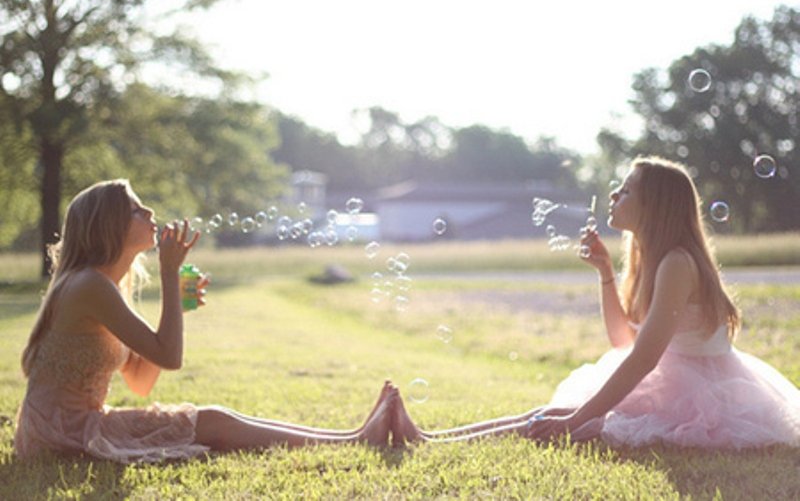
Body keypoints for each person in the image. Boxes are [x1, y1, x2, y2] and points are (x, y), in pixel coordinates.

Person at [390, 156, 800, 449]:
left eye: (625, 190)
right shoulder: (653, 258)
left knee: (566, 419)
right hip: (670, 380)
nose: (614, 194)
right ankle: (427, 438)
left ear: (654, 206)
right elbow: (623, 340)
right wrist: (605, 272)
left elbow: (642, 359)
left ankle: (426, 440)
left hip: (700, 396)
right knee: (553, 413)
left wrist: (578, 416)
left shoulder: (677, 262)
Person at [14, 180, 395, 463]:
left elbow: (140, 380)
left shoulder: (101, 286)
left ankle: (355, 436)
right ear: (108, 226)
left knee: (215, 418)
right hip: (60, 434)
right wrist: (168, 274)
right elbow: (170, 357)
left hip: (72, 425)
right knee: (212, 421)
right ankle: (355, 440)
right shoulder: (89, 286)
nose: (149, 213)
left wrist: (177, 302)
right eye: (135, 209)